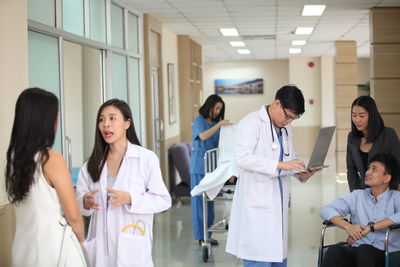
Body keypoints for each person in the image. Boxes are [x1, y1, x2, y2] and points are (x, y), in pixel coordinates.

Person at [226, 85, 320, 267]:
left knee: (277, 258)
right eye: (288, 116)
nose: (289, 121)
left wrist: (302, 173)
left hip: (278, 207)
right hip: (257, 205)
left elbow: (289, 158)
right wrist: (280, 165)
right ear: (277, 103)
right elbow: (242, 158)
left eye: (294, 118)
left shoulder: (285, 128)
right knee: (258, 259)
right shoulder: (252, 122)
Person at [76, 99, 171, 267]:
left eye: (112, 118)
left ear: (127, 123)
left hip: (132, 247)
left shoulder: (146, 159)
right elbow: (79, 203)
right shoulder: (91, 164)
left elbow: (163, 200)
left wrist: (130, 199)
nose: (106, 124)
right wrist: (85, 201)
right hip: (100, 249)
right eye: (101, 119)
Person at [5, 88, 86, 267]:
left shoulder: (14, 159)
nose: (57, 121)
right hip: (55, 251)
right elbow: (73, 216)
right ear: (44, 121)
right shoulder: (50, 159)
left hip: (23, 250)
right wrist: (81, 242)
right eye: (55, 116)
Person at [320, 153, 400, 267]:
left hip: (386, 255)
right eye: (369, 168)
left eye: (374, 169)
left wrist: (372, 227)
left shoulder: (396, 197)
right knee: (335, 251)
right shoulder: (358, 196)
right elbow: (327, 210)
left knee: (365, 250)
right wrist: (349, 227)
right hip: (358, 251)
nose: (368, 172)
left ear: (387, 178)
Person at [190, 94, 232, 245]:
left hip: (212, 167)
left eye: (220, 109)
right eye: (216, 108)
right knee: (199, 203)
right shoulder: (199, 121)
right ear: (210, 106)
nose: (218, 111)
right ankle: (201, 236)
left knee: (210, 201)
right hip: (199, 166)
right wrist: (219, 125)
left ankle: (209, 234)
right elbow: (202, 136)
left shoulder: (217, 124)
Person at [347, 95, 400, 192]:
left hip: (387, 192)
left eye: (362, 116)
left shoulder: (389, 134)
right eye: (354, 115)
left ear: (372, 115)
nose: (357, 120)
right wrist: (355, 194)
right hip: (363, 193)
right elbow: (351, 170)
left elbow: (397, 166)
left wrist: (394, 193)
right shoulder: (352, 137)